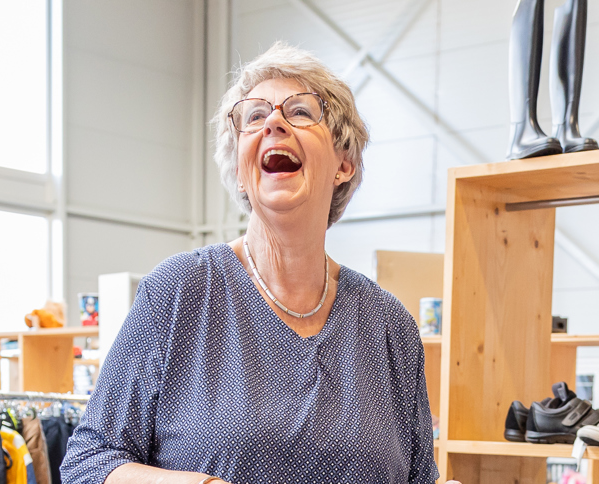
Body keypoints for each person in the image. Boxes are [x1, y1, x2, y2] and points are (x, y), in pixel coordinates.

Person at [61, 42, 443, 484]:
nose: (274, 122)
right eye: (255, 116)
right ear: (241, 168)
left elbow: (418, 477)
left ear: (345, 164)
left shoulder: (389, 325)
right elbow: (88, 465)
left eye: (300, 112)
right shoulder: (179, 293)